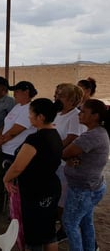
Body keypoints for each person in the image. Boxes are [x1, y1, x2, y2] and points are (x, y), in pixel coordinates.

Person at [3, 98, 62, 251]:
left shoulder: (36, 139)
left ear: (40, 117)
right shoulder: (55, 134)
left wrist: (6, 178)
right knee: (48, 231)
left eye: (30, 114)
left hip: (36, 190)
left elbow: (17, 166)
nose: (29, 117)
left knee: (34, 235)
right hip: (51, 187)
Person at [62, 99, 109, 251]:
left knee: (70, 223)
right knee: (85, 221)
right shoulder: (96, 133)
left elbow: (65, 152)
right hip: (90, 186)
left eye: (83, 112)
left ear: (95, 116)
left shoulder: (92, 136)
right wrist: (70, 157)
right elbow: (70, 154)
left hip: (83, 189)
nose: (79, 114)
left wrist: (68, 157)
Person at [0, 81, 38, 213]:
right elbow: (7, 124)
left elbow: (16, 130)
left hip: (16, 152)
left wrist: (0, 141)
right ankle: (7, 205)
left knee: (15, 182)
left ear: (26, 92)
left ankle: (15, 211)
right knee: (4, 179)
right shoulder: (17, 106)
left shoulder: (29, 108)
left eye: (17, 91)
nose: (14, 94)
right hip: (6, 149)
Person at [52, 83, 86, 242]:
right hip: (56, 161)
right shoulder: (58, 113)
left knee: (63, 199)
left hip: (65, 164)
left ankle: (65, 229)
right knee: (57, 195)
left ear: (72, 100)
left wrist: (55, 150)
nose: (56, 97)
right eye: (56, 94)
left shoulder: (75, 116)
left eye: (60, 95)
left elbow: (72, 138)